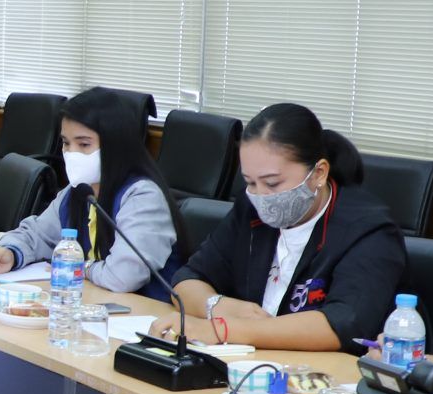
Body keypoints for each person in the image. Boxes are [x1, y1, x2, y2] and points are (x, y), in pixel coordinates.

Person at [166, 103, 406, 352]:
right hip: (250, 361)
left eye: (272, 183)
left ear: (319, 173)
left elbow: (343, 324)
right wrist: (217, 306)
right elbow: (186, 279)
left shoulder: (369, 232)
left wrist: (223, 329)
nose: (261, 196)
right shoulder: (250, 209)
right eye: (250, 182)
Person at [0, 88, 177, 295]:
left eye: (84, 144)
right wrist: (10, 253)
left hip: (145, 310)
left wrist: (80, 266)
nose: (71, 153)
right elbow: (38, 234)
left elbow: (123, 276)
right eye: (66, 143)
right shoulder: (77, 192)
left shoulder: (143, 197)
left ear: (115, 146)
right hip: (91, 302)